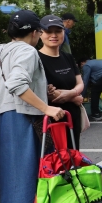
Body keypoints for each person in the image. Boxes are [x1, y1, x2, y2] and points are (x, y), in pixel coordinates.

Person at [0, 10, 65, 203]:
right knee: (29, 172)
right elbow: (17, 84)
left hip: (0, 117)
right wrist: (47, 107)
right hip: (20, 117)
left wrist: (41, 90)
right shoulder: (27, 51)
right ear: (35, 32)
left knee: (11, 174)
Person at [38, 15, 84, 150]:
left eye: (58, 31)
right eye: (48, 31)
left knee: (73, 155)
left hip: (72, 116)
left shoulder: (68, 57)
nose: (54, 35)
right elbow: (46, 92)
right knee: (56, 160)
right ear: (40, 33)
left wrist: (72, 93)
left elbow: (80, 83)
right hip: (52, 117)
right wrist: (74, 97)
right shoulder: (36, 58)